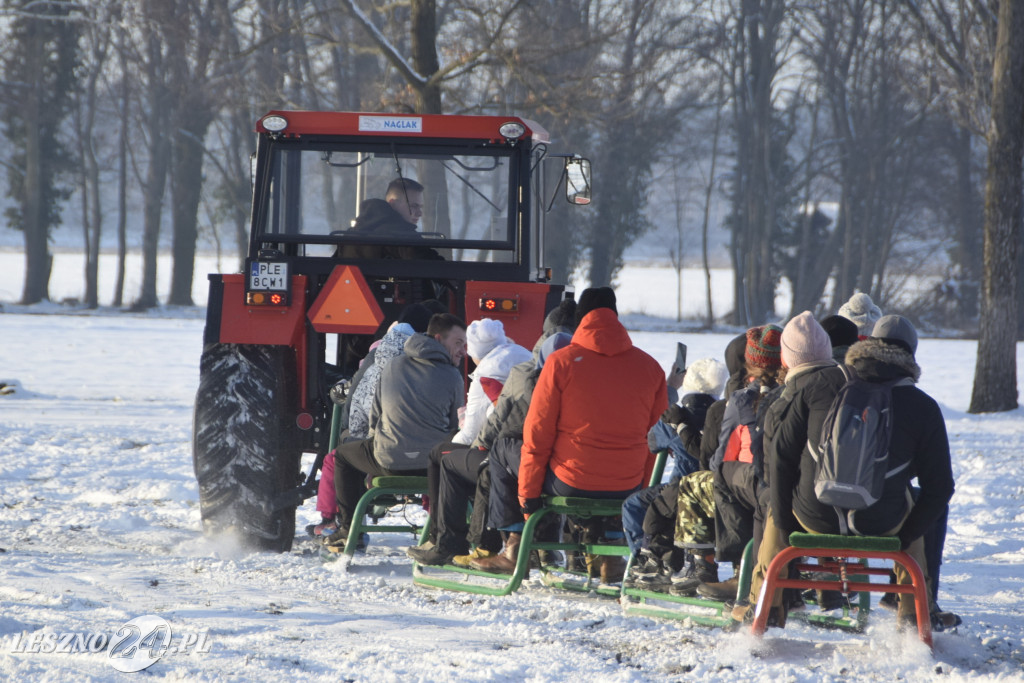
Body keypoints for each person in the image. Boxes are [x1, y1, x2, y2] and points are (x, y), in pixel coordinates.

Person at [734, 313, 955, 629]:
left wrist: (784, 522)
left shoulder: (819, 383)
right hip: (881, 523)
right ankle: (915, 612)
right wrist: (905, 537)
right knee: (911, 501)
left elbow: (781, 456)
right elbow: (941, 487)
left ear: (866, 345)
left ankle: (764, 605)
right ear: (911, 358)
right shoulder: (923, 406)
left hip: (812, 516)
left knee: (779, 501)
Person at [472, 287, 667, 582]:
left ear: (580, 320)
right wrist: (638, 489)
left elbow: (537, 434)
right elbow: (655, 441)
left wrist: (528, 498)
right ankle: (610, 553)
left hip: (570, 481)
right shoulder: (651, 368)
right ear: (615, 316)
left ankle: (513, 548)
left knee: (503, 449)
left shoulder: (561, 362)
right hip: (626, 483)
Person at [323, 313, 467, 551]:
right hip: (432, 467)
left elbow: (376, 416)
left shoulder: (393, 365)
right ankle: (441, 533)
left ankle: (349, 529)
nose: (463, 350)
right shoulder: (453, 376)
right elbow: (454, 426)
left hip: (387, 460)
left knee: (343, 456)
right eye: (458, 343)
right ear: (439, 339)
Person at [408, 318, 531, 564]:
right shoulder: (526, 357)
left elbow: (472, 434)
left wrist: (451, 447)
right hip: (532, 453)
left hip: (504, 457)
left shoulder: (487, 372)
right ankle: (462, 538)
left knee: (441, 456)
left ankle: (444, 540)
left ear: (477, 351)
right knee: (451, 456)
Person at [336, 177, 442, 261]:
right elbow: (434, 266)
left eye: (420, 207)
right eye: (413, 206)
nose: (419, 213)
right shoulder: (403, 236)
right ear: (393, 203)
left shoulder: (351, 234)